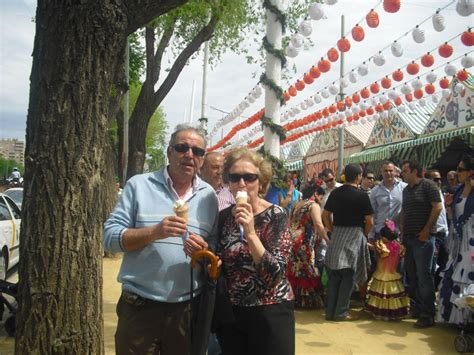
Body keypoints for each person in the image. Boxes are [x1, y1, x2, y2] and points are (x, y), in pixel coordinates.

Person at [103, 124, 219, 354]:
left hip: (186, 310)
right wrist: (154, 232)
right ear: (169, 152)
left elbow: (214, 247)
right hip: (140, 307)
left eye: (197, 151)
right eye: (182, 147)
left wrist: (205, 251)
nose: (189, 155)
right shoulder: (139, 185)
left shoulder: (209, 196)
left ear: (202, 159)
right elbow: (109, 238)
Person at [216, 148, 295, 355]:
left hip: (270, 311)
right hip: (233, 314)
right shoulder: (224, 217)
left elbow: (275, 275)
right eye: (235, 177)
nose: (242, 183)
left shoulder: (276, 215)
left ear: (261, 182)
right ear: (229, 183)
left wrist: (250, 233)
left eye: (249, 177)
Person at [322, 164, 374, 321]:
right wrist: (363, 234)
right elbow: (369, 220)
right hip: (354, 235)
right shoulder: (362, 195)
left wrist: (331, 229)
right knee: (348, 275)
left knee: (335, 275)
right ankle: (341, 313)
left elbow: (325, 214)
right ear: (359, 176)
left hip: (337, 234)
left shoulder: (335, 193)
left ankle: (331, 312)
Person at [400, 160, 442, 329]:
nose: (403, 173)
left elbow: (437, 207)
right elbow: (404, 210)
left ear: (415, 171)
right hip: (409, 238)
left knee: (424, 276)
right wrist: (402, 228)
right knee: (411, 275)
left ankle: (427, 313)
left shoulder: (429, 186)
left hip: (423, 239)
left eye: (405, 170)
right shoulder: (406, 190)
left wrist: (427, 229)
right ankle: (417, 309)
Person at [438, 155, 474, 326]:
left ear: (470, 172)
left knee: (467, 275)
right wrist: (449, 205)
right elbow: (453, 218)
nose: (457, 173)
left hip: (471, 244)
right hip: (459, 242)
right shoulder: (459, 190)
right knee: (454, 273)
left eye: (460, 170)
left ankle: (467, 320)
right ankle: (456, 319)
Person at [287, 182, 329, 308]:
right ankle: (307, 301)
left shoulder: (296, 204)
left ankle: (295, 298)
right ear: (316, 194)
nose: (320, 199)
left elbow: (289, 223)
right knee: (307, 268)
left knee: (295, 269)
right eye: (321, 196)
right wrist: (327, 239)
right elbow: (318, 224)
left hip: (292, 238)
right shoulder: (313, 205)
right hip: (305, 241)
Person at [365, 220, 409, 321]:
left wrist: (365, 243)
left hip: (382, 274)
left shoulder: (382, 246)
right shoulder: (399, 247)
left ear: (384, 237)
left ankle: (380, 312)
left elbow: (374, 248)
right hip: (393, 275)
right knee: (393, 297)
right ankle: (393, 313)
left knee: (382, 296)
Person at [369, 162, 407, 240]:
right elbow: (372, 214)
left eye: (390, 170)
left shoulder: (404, 188)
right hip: (380, 233)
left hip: (398, 233)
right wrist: (371, 235)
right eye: (385, 171)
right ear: (381, 172)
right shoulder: (375, 191)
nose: (388, 173)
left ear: (395, 172)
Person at [429, 169, 449, 289]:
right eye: (435, 179)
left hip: (444, 234)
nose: (439, 181)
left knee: (444, 264)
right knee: (432, 266)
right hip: (434, 235)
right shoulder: (428, 194)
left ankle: (438, 288)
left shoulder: (442, 193)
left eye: (440, 179)